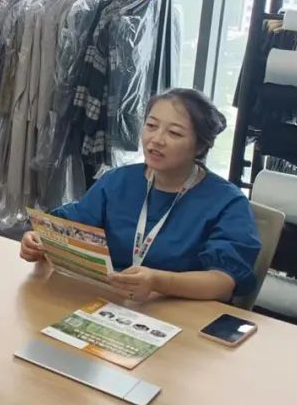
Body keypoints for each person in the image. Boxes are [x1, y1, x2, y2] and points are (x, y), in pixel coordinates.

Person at [20, 88, 261, 302]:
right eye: (151, 126)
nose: (156, 140)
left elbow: (223, 282)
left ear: (200, 146)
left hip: (177, 311)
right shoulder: (118, 181)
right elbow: (70, 226)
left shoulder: (227, 202)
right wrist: (39, 239)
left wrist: (158, 281)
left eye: (174, 133)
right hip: (109, 302)